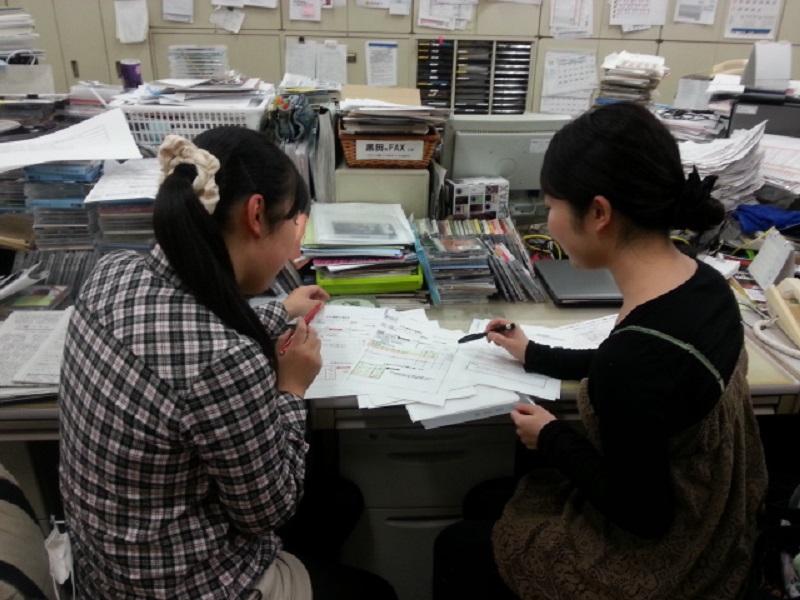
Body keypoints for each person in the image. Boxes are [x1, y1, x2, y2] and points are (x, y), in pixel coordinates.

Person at [433, 102, 768, 600]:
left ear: (598, 213)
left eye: (551, 205)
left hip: (668, 557)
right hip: (715, 517)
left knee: (457, 545)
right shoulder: (705, 285)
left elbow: (644, 516)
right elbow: (654, 376)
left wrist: (551, 437)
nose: (548, 220)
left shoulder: (633, 360)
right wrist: (535, 354)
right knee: (490, 500)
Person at [59, 127, 397, 600]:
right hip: (188, 587)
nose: (293, 246)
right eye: (293, 224)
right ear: (256, 215)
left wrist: (280, 311)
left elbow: (191, 317)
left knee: (338, 499)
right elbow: (269, 511)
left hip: (107, 571)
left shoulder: (112, 273)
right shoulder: (225, 360)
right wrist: (292, 388)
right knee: (374, 590)